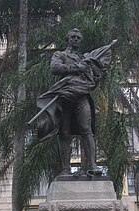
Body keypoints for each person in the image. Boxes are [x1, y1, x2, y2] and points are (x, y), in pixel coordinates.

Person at [36, 28, 112, 176]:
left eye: (78, 37)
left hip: (81, 96)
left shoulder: (85, 58)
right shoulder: (60, 54)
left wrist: (96, 71)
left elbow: (94, 72)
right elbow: (55, 68)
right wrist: (77, 67)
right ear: (68, 39)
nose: (76, 39)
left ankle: (93, 165)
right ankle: (65, 169)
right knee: (64, 133)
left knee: (87, 130)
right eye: (73, 37)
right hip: (65, 97)